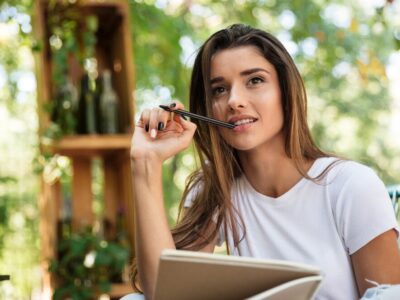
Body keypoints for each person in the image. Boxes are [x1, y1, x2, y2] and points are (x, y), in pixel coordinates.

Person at [129, 24, 400, 300]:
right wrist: (145, 163)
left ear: (285, 90)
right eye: (219, 89)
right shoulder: (215, 187)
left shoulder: (351, 186)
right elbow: (166, 295)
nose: (234, 101)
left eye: (255, 80)